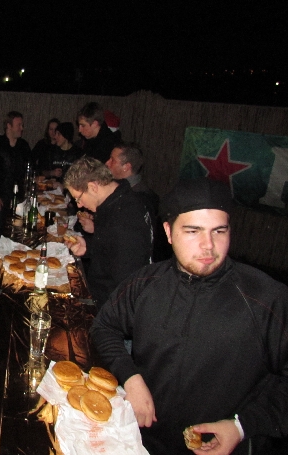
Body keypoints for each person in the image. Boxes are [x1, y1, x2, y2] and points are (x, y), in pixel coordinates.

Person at [91, 178, 288, 455]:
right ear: (169, 232)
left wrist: (242, 426)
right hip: (140, 439)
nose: (208, 245)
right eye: (193, 231)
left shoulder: (266, 299)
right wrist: (131, 377)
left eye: (219, 231)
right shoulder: (145, 283)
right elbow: (104, 326)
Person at [63, 156, 153, 310]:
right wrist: (88, 247)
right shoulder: (116, 201)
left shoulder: (125, 219)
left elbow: (126, 284)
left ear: (93, 187)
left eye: (78, 198)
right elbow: (112, 247)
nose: (79, 205)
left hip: (111, 307)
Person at [0, 111, 31, 257]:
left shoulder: (23, 145)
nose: (22, 128)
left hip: (19, 195)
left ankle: (12, 258)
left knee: (16, 228)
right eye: (19, 125)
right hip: (1, 194)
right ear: (9, 126)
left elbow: (29, 168)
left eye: (22, 125)